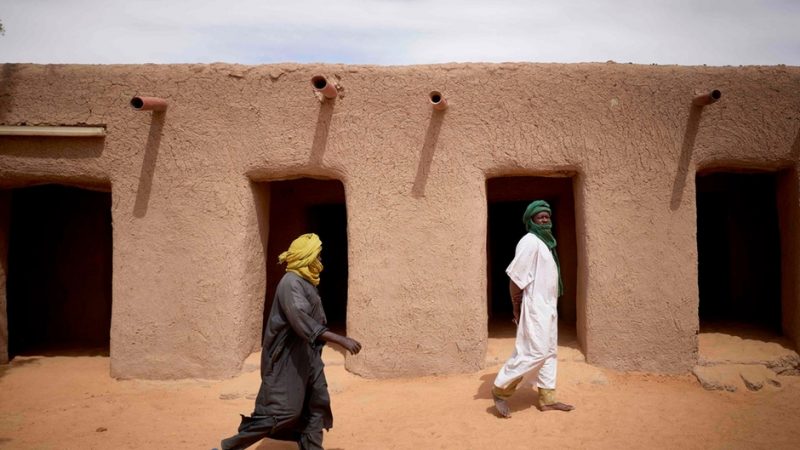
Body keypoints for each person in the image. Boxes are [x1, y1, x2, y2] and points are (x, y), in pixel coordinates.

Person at [220, 233, 362, 450]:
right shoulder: (291, 283)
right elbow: (300, 318)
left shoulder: (305, 281)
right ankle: (229, 446)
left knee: (317, 403)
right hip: (286, 359)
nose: (321, 261)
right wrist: (340, 339)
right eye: (318, 256)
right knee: (282, 411)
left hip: (308, 356)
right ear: (307, 258)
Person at [492, 200, 574, 418]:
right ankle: (500, 389)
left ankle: (548, 399)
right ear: (531, 221)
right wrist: (516, 308)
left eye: (547, 216)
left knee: (549, 352)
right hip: (535, 306)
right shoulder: (530, 241)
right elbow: (515, 277)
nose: (545, 220)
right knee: (534, 352)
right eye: (540, 217)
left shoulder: (547, 244)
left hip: (548, 307)